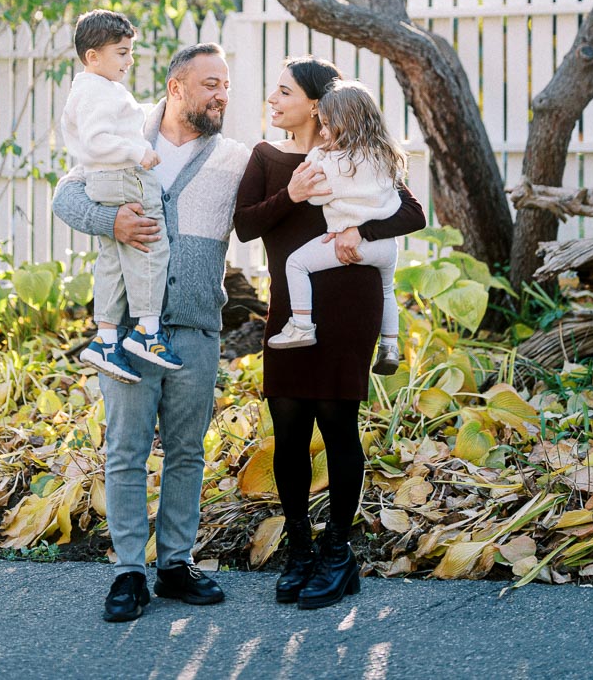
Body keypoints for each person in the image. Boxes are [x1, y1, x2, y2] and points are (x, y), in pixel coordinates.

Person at [52, 42, 250, 623]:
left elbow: (269, 210)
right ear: (176, 88)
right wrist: (108, 219)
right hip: (129, 333)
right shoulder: (121, 131)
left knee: (187, 452)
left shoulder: (234, 158)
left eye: (226, 85)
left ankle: (175, 565)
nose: (221, 95)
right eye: (210, 83)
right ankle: (128, 572)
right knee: (127, 452)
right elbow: (65, 194)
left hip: (194, 327)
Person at [234, 56, 426, 610]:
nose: (273, 98)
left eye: (284, 90)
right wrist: (290, 195)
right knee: (288, 425)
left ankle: (337, 552)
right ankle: (299, 548)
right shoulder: (267, 158)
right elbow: (246, 225)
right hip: (292, 304)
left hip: (348, 302)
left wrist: (357, 230)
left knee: (338, 421)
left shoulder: (360, 156)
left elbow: (409, 211)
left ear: (316, 105)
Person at [60, 9, 182, 383]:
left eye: (130, 52)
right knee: (150, 242)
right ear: (92, 56)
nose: (129, 61)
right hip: (122, 176)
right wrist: (137, 152)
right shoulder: (98, 89)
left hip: (105, 179)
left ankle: (106, 338)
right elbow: (97, 140)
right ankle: (147, 329)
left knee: (112, 257)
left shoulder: (90, 88)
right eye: (122, 53)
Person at [267, 79, 404, 375]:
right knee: (387, 289)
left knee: (296, 263)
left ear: (346, 123)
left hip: (351, 242)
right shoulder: (384, 154)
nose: (324, 132)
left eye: (328, 125)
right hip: (385, 246)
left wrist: (314, 159)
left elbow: (317, 199)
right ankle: (390, 344)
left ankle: (301, 325)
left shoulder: (335, 162)